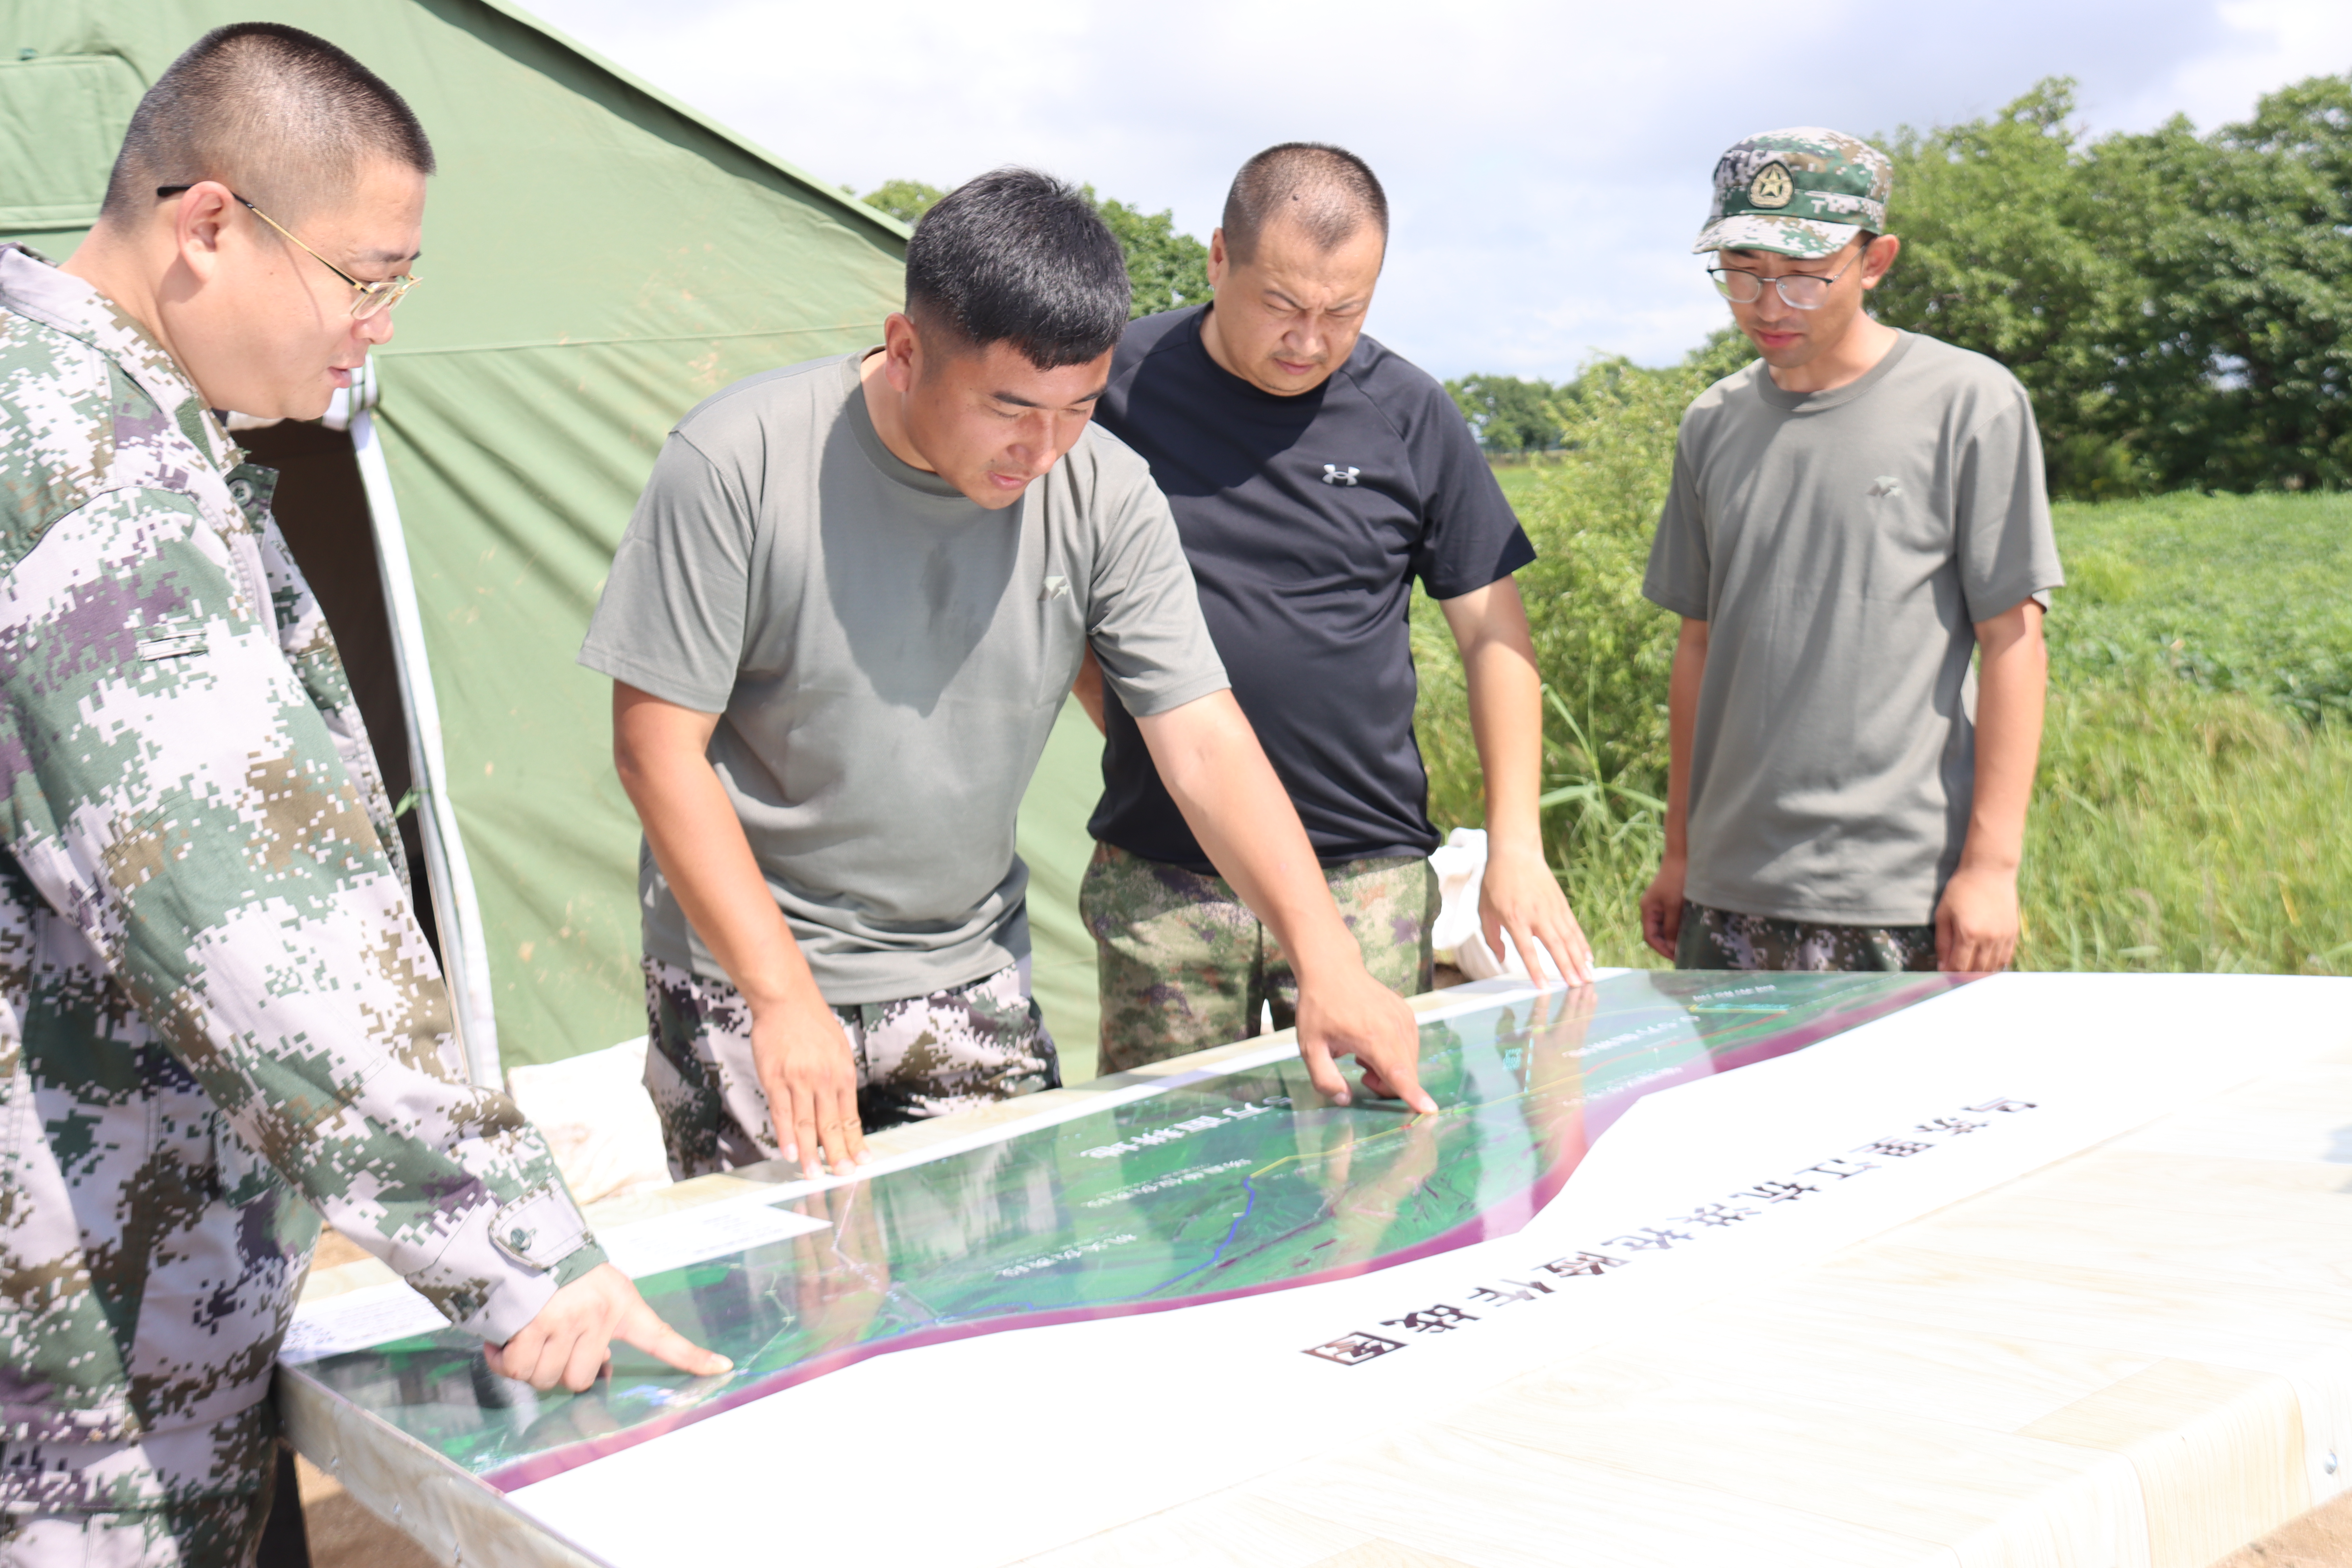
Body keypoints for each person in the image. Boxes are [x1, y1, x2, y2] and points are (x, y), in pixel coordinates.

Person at [0, 26, 725, 1565]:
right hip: (74, 1353)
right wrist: (520, 1250)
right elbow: (250, 905)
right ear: (209, 226)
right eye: (366, 276)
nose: (378, 327)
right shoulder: (91, 449)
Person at [580, 169, 1434, 1186]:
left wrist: (1326, 954)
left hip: (968, 969)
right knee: (798, 1305)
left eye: (1078, 407)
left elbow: (1200, 736)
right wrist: (778, 995)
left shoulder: (1106, 489)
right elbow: (655, 748)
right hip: (744, 976)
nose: (1041, 449)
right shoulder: (737, 462)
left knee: (1004, 1296)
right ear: (906, 352)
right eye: (1010, 407)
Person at [1075, 142, 1592, 1075]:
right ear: (1218, 260)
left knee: (1383, 1164)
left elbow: (1493, 635)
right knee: (1168, 1178)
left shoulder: (1408, 413)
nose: (1309, 340)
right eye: (1281, 303)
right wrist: (1130, 723)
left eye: (1343, 311)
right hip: (1168, 878)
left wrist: (1519, 846)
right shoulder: (1115, 390)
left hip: (1365, 877)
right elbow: (1053, 590)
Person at [1637, 128, 2062, 974]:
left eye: (1801, 275)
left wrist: (1991, 868)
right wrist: (1681, 850)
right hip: (1729, 890)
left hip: (1901, 892)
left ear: (1875, 262)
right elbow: (1699, 645)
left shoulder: (1967, 403)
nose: (1767, 303)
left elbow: (2014, 641)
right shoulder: (1713, 423)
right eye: (1743, 271)